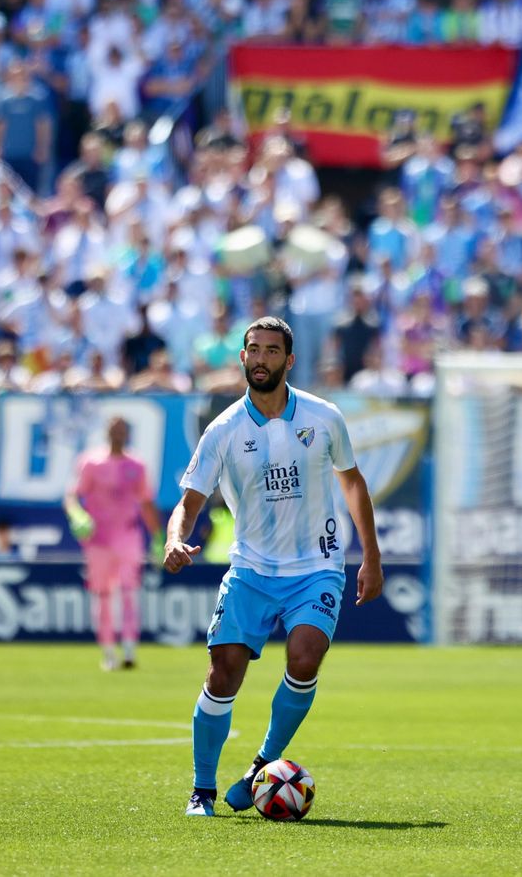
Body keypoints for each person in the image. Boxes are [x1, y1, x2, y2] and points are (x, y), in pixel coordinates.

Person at [164, 316, 382, 818]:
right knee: (223, 674)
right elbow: (189, 502)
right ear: (242, 358)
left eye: (270, 350)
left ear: (289, 360)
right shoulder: (222, 430)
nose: (260, 359)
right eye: (252, 350)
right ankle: (202, 790)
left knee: (305, 659)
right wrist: (176, 538)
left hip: (317, 566)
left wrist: (371, 555)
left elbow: (352, 484)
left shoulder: (324, 417)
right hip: (252, 570)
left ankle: (261, 764)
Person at [64, 416, 160, 672]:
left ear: (127, 434)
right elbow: (72, 495)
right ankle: (108, 651)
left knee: (129, 591)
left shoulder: (136, 465)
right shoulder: (91, 462)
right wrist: (78, 515)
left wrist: (158, 537)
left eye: (121, 430)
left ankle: (129, 648)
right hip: (99, 539)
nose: (117, 434)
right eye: (113, 430)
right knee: (103, 595)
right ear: (107, 432)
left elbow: (146, 502)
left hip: (128, 536)